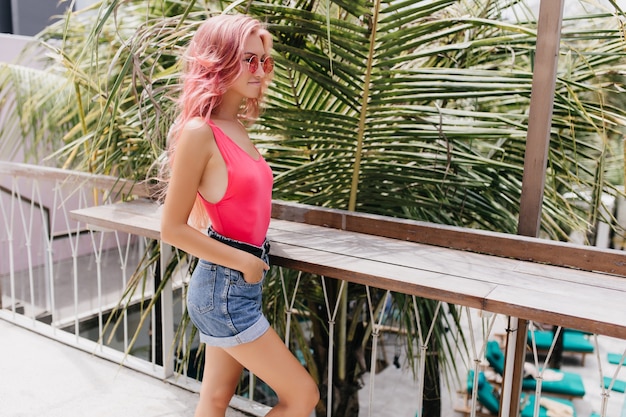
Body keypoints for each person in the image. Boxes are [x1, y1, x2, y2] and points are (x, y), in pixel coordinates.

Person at [160, 14, 319, 417]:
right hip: (224, 285)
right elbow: (172, 228)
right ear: (220, 58)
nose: (260, 70)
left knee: (214, 400)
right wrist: (245, 260)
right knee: (303, 397)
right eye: (249, 59)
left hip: (234, 283)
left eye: (264, 62)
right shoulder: (201, 132)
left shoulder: (235, 126)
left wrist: (253, 256)